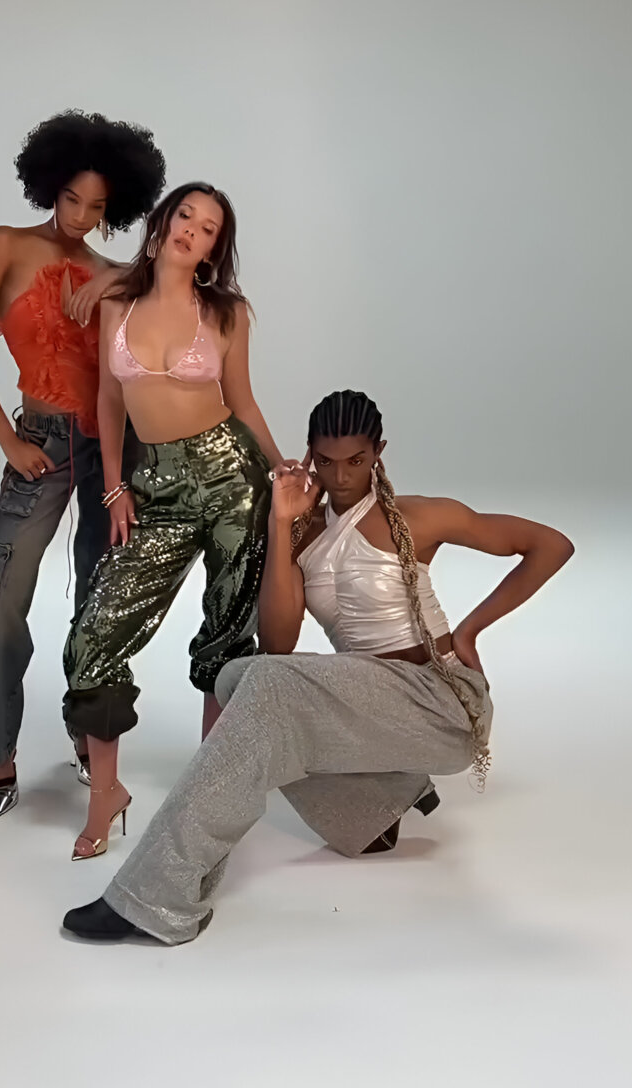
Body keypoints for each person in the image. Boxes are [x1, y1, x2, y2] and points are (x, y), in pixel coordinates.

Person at [62, 387, 574, 942]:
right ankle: (373, 810)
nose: (342, 476)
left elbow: (550, 545)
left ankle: (156, 896)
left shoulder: (419, 516)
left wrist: (470, 630)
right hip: (374, 706)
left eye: (356, 460)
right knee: (237, 678)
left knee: (265, 686)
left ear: (378, 452)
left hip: (441, 701)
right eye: (326, 462)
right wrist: (282, 525)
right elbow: (278, 643)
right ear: (309, 455)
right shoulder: (304, 532)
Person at [62, 182, 290, 861]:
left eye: (209, 228)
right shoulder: (117, 304)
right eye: (184, 215)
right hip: (152, 485)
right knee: (94, 637)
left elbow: (242, 401)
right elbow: (109, 401)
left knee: (227, 632)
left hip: (231, 479)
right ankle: (106, 793)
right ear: (162, 222)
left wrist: (281, 469)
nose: (192, 229)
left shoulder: (225, 312)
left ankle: (209, 795)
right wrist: (113, 488)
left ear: (214, 250)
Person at [0, 111, 165, 817]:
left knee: (100, 601)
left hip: (114, 446)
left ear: (114, 209)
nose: (79, 216)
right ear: (49, 186)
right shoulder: (6, 245)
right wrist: (8, 443)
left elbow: (178, 289)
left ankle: (88, 733)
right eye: (71, 198)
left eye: (96, 207)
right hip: (40, 439)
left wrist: (117, 281)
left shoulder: (113, 272)